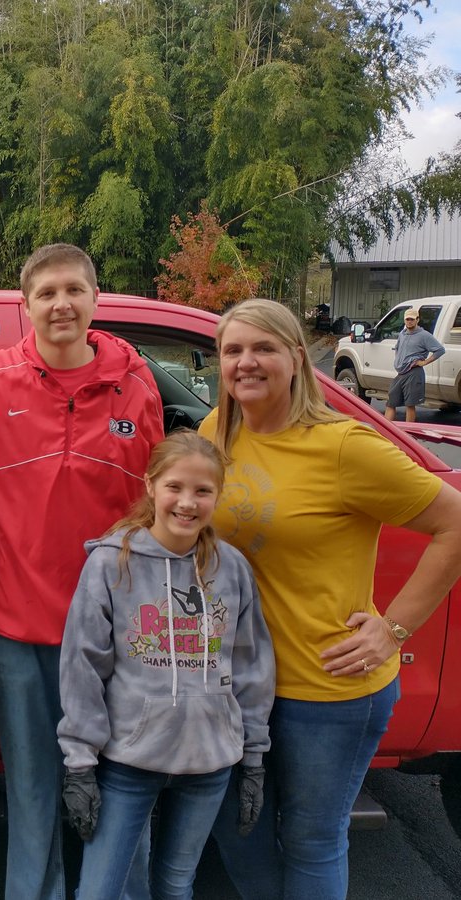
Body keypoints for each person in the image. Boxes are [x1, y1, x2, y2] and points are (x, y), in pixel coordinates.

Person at [202, 299, 461, 900]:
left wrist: (394, 628)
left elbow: (455, 525)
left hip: (325, 685)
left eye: (262, 348)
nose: (246, 362)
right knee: (237, 829)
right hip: (237, 684)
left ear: (297, 359)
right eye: (232, 350)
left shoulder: (346, 447)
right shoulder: (220, 428)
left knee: (312, 840)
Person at [0, 243, 164, 898]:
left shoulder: (137, 382)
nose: (61, 303)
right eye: (47, 293)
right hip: (17, 633)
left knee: (121, 789)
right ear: (25, 305)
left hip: (114, 638)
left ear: (95, 298)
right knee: (32, 796)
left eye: (74, 290)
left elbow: (166, 493)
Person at [57, 431, 274, 900]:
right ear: (151, 485)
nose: (187, 502)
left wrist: (254, 756)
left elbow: (251, 666)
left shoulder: (232, 569)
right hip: (131, 761)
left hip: (208, 761)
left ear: (218, 495)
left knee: (176, 884)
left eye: (203, 491)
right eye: (175, 486)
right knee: (101, 890)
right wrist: (79, 762)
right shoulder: (112, 564)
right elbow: (83, 666)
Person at [384, 309, 445, 423]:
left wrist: (424, 362)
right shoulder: (402, 333)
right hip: (401, 373)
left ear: (417, 320)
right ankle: (385, 432)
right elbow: (397, 348)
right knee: (391, 402)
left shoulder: (424, 335)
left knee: (410, 405)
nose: (409, 321)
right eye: (407, 319)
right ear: (404, 320)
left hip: (414, 373)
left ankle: (408, 435)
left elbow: (440, 350)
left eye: (412, 319)